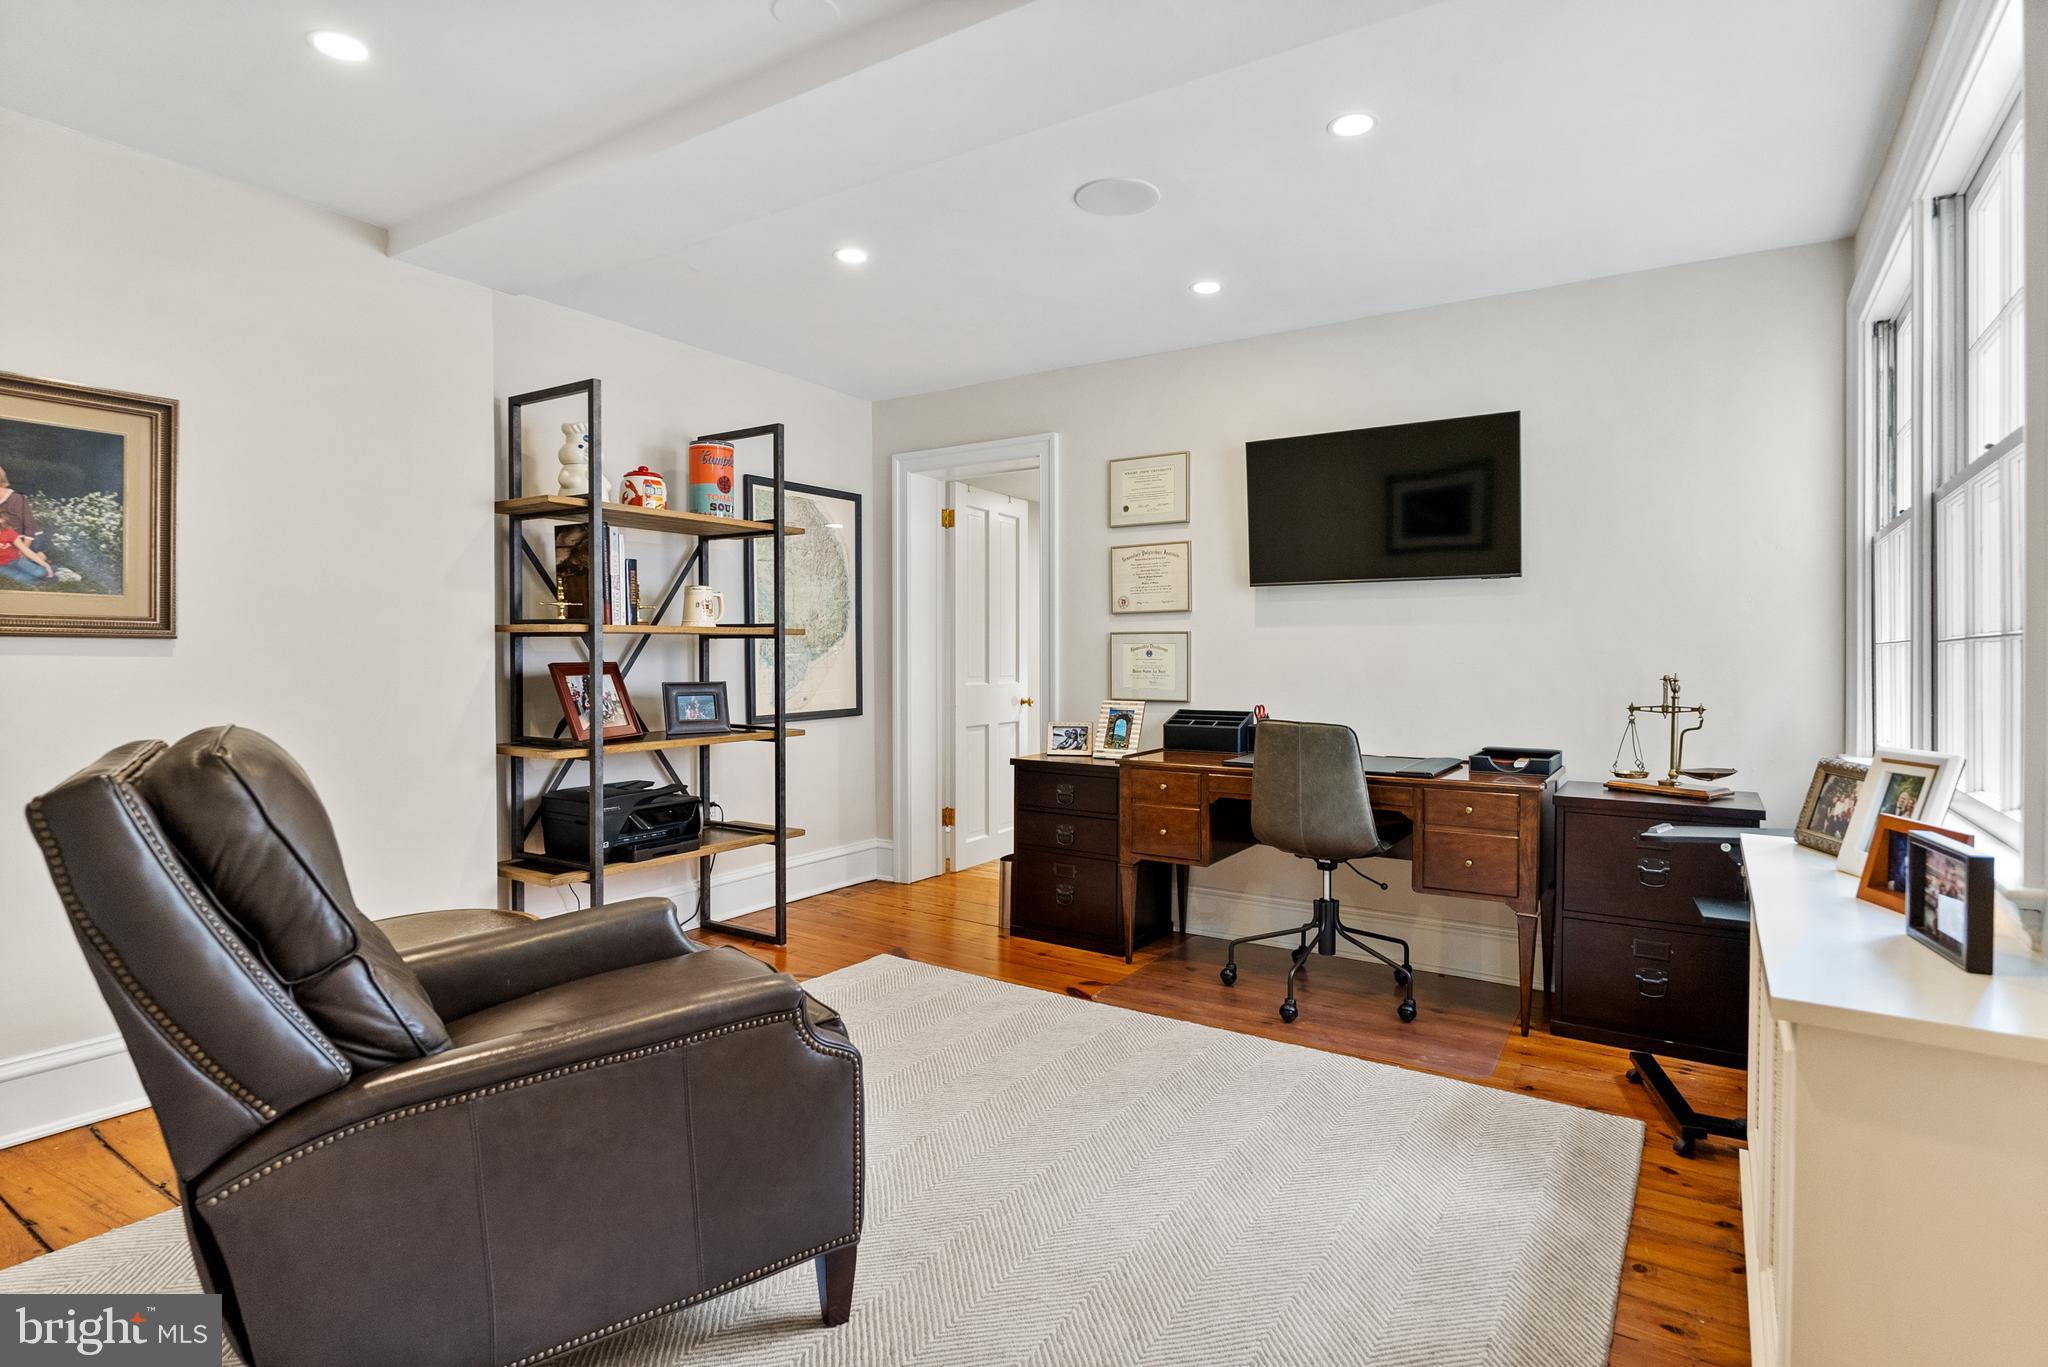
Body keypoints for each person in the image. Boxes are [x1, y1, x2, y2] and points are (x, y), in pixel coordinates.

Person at [0, 511, 54, 585]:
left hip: (16, 560)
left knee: (41, 573)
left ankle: (50, 566)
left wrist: (45, 565)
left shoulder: (9, 532)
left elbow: (25, 550)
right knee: (22, 578)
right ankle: (38, 585)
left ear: (2, 520)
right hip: (1, 566)